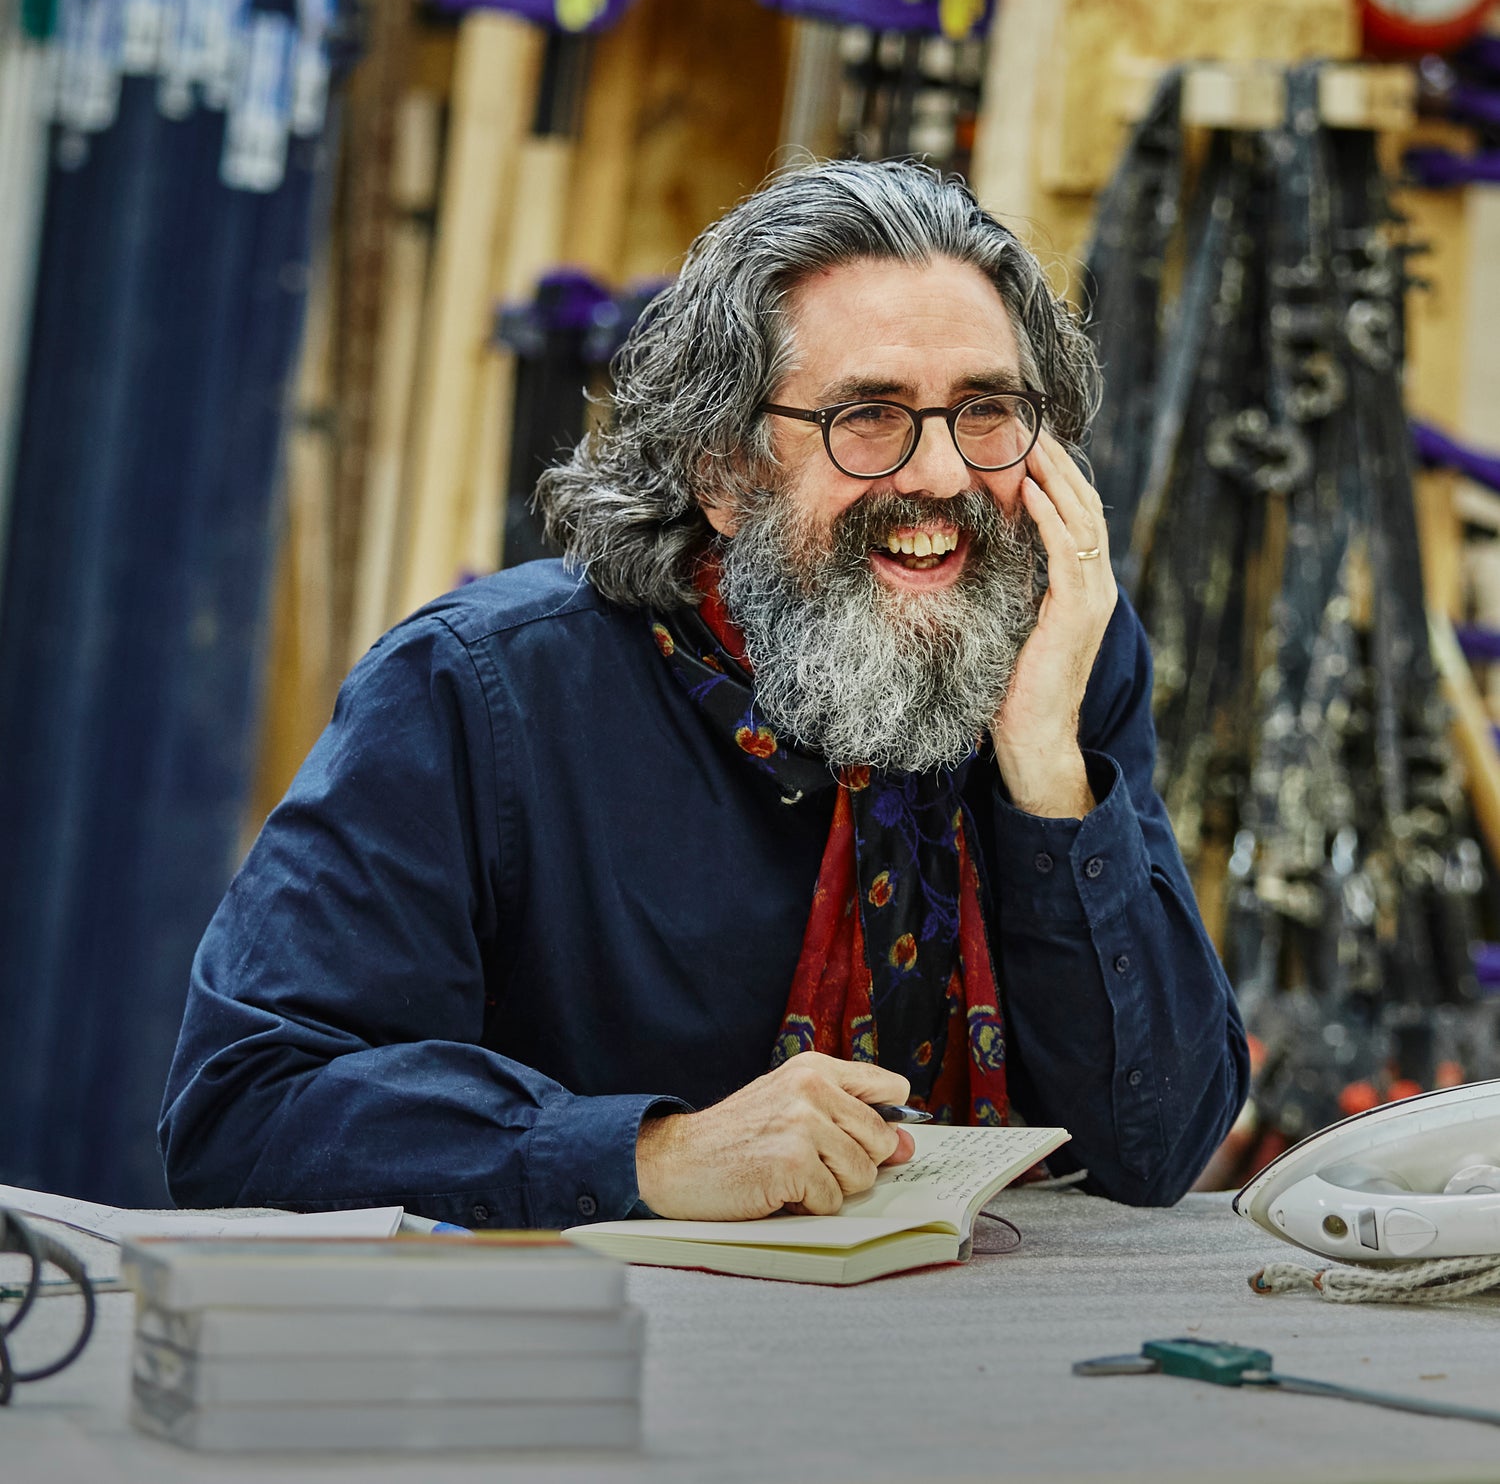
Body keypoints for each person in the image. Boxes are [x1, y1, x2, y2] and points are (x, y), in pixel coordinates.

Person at [160, 159, 1248, 1229]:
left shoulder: (1056, 658)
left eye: (987, 410)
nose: (944, 475)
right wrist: (652, 1154)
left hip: (985, 1332)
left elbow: (1157, 1145)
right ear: (725, 471)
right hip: (602, 1340)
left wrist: (1048, 771)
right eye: (868, 415)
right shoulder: (483, 693)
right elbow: (245, 1108)